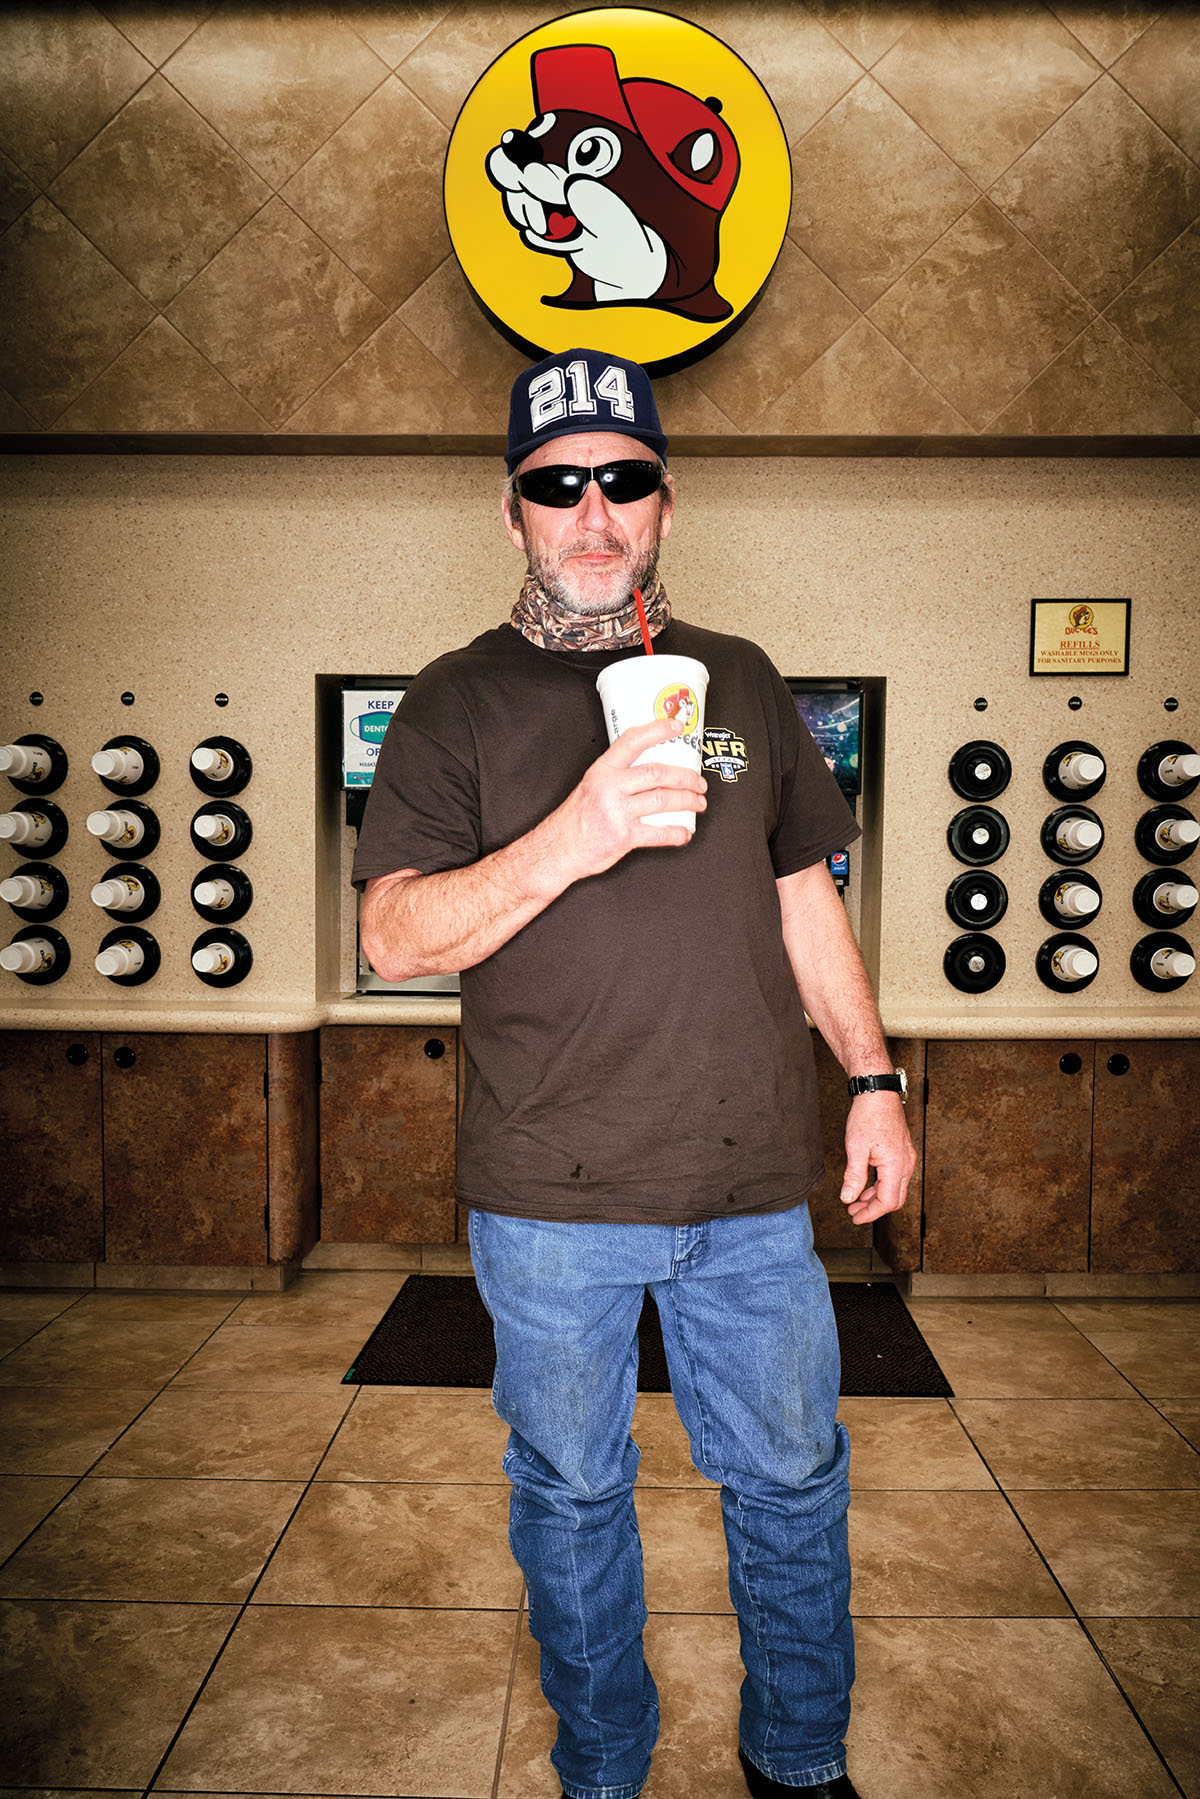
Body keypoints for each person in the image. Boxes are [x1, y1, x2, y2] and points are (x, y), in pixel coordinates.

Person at [353, 348, 915, 1799]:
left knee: (793, 1489)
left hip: (746, 1190)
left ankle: (799, 1760)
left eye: (625, 480)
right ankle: (605, 1767)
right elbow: (396, 932)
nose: (592, 513)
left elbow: (805, 895)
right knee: (575, 1497)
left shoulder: (740, 681)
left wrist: (872, 1078)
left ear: (668, 500)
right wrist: (580, 830)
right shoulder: (454, 702)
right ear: (513, 511)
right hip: (549, 1201)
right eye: (558, 484)